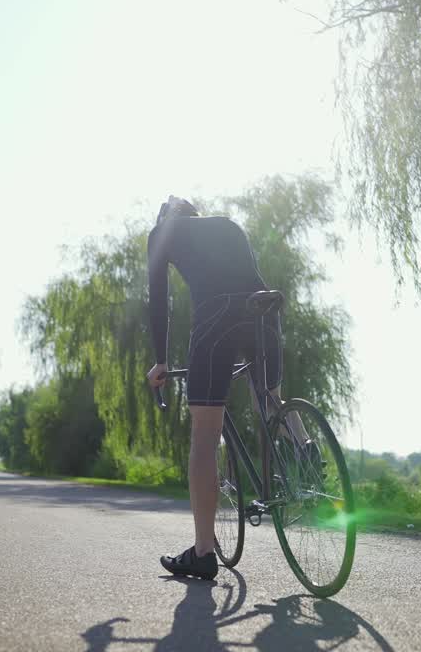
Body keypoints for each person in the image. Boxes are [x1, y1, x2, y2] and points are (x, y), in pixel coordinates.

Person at [146, 195, 285, 580]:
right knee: (271, 398)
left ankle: (204, 552)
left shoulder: (163, 231)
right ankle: (304, 452)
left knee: (205, 435)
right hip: (264, 312)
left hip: (217, 320)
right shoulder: (227, 224)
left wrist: (161, 361)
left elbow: (159, 302)